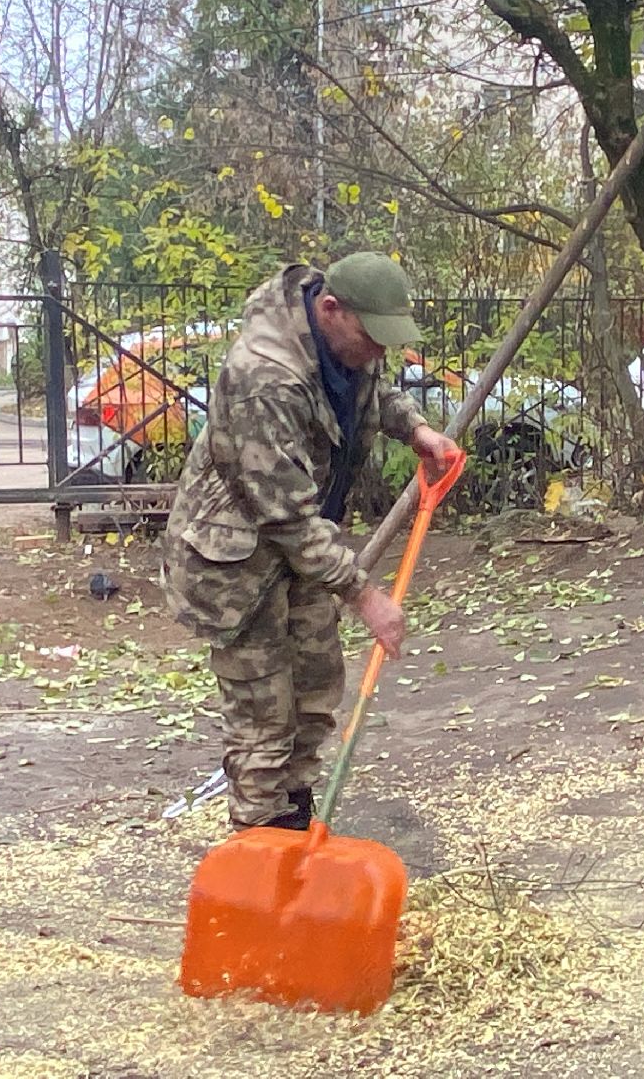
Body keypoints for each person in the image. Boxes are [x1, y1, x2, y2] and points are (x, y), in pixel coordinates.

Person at [161, 252, 458, 831]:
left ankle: (294, 829)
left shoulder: (345, 344)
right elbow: (286, 517)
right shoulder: (263, 377)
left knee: (314, 697)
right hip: (237, 564)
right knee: (264, 723)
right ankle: (259, 861)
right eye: (373, 337)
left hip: (302, 555)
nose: (379, 351)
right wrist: (366, 597)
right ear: (331, 310)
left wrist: (417, 430)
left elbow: (373, 389)